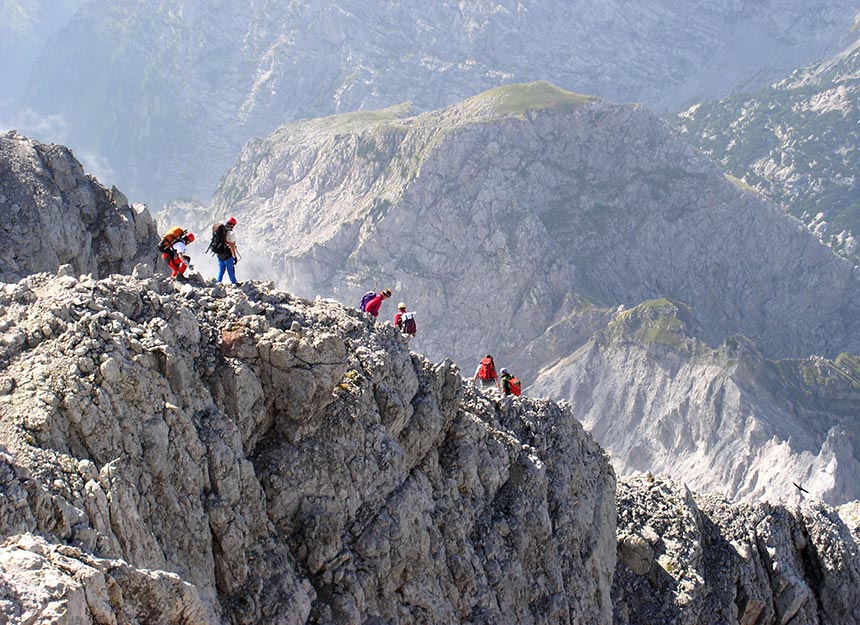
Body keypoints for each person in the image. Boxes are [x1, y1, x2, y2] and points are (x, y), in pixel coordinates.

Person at [209, 217, 240, 284]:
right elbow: (232, 246)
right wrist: (234, 256)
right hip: (227, 254)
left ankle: (218, 281)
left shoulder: (220, 230)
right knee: (230, 269)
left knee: (221, 269)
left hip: (219, 253)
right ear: (233, 225)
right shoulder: (231, 233)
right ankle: (234, 282)